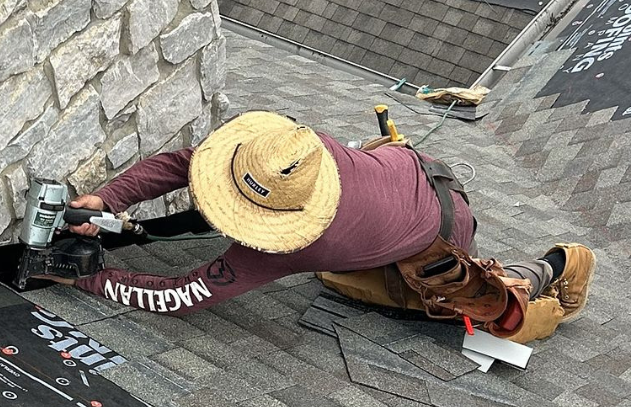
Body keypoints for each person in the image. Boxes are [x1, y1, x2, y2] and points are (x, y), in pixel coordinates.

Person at [42, 111, 594, 342]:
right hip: (411, 169)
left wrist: (83, 278)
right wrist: (104, 198)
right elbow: (179, 163)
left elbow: (183, 295)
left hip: (441, 230)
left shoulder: (298, 244)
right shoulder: (288, 155)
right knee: (339, 276)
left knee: (481, 313)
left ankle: (550, 270)